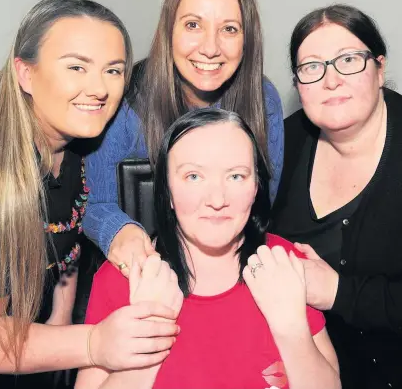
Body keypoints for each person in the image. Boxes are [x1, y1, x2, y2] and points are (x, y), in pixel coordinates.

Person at [76, 108, 340, 389]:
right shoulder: (125, 277)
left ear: (256, 188)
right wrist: (149, 337)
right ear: (167, 192)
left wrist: (292, 328)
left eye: (236, 176)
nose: (216, 199)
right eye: (193, 176)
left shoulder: (283, 264)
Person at [0, 0, 180, 388]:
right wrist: (93, 343)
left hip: (41, 346)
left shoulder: (79, 145)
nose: (98, 88)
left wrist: (61, 321)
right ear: (25, 74)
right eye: (76, 67)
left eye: (113, 70)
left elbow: (67, 235)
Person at [82, 0, 284, 276]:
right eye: (193, 25)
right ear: (169, 31)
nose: (210, 48)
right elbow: (95, 205)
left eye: (229, 29)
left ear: (247, 39)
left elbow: (262, 206)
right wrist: (120, 232)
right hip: (142, 276)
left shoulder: (264, 100)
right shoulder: (125, 100)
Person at [269, 4, 402, 389]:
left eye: (348, 60)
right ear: (297, 85)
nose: (331, 80)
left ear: (379, 68)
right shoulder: (283, 144)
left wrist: (337, 292)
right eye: (312, 67)